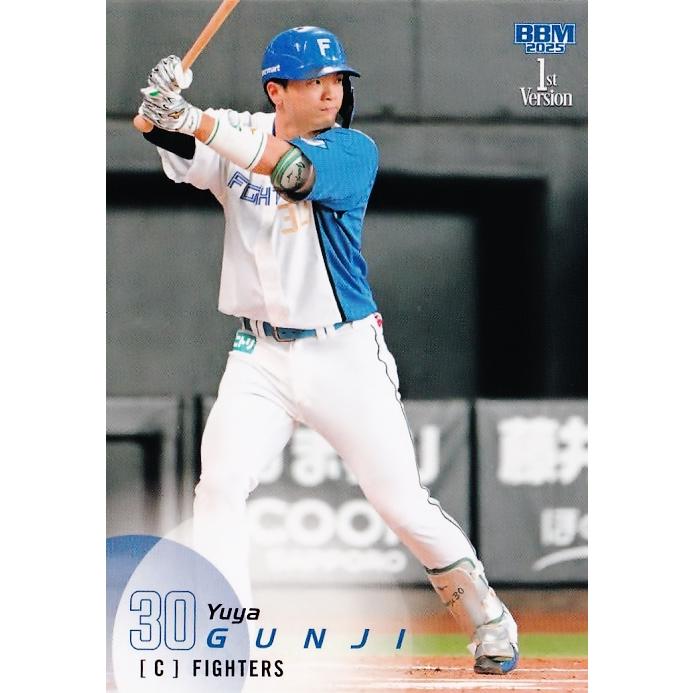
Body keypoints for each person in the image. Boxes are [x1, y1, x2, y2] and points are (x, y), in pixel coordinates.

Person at [137, 26, 519, 675]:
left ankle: (488, 618)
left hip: (343, 353)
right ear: (276, 91)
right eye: (314, 81)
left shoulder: (352, 149)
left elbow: (288, 169)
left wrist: (191, 117)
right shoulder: (235, 129)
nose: (330, 92)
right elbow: (163, 132)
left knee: (399, 501)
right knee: (220, 486)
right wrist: (159, 105)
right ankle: (225, 629)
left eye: (336, 79)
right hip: (258, 355)